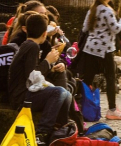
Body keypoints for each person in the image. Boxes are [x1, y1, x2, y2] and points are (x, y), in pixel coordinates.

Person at [8, 13, 71, 145]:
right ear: (44, 34)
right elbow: (31, 77)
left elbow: (30, 72)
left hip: (24, 93)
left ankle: (62, 128)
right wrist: (48, 61)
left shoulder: (28, 45)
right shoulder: (32, 47)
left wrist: (51, 67)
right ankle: (42, 133)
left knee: (67, 94)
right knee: (59, 92)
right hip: (21, 98)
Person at [81, 0, 121, 121]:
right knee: (110, 78)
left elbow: (85, 28)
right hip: (105, 49)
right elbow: (115, 28)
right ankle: (112, 109)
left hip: (90, 48)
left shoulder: (92, 9)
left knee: (87, 79)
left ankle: (82, 106)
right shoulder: (107, 10)